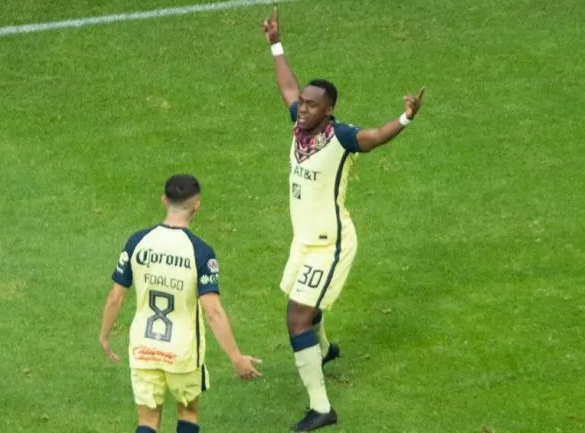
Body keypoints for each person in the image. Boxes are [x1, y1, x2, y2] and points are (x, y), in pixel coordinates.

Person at [260, 7, 426, 432]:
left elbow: (374, 138)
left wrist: (405, 117)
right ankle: (326, 348)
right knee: (304, 311)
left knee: (296, 318)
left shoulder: (341, 137)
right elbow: (287, 87)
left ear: (329, 110)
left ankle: (321, 409)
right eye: (304, 104)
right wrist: (276, 43)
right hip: (304, 241)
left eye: (313, 106)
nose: (303, 108)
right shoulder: (300, 128)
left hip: (330, 243)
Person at [98, 174, 262, 433]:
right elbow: (213, 311)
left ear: (164, 200)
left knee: (147, 420)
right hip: (182, 352)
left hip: (144, 348)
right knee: (188, 413)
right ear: (196, 205)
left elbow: (116, 296)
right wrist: (236, 357)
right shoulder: (200, 252)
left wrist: (105, 336)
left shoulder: (137, 242)